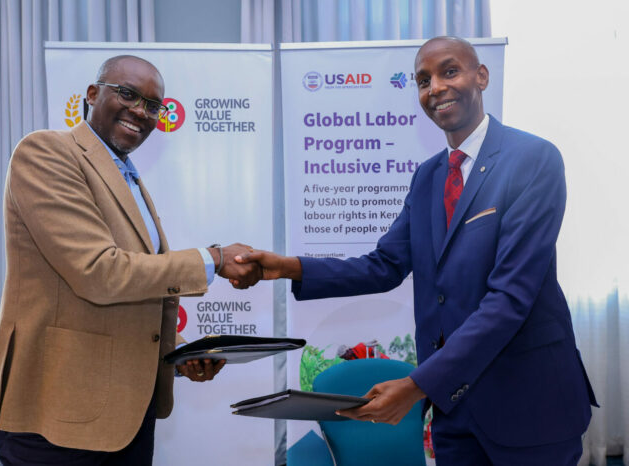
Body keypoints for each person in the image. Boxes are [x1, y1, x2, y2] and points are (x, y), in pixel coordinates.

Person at [237, 37, 597, 464]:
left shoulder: (533, 159)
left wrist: (415, 386)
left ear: (481, 76)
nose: (435, 88)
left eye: (449, 71)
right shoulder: (427, 177)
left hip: (529, 404)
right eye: (423, 80)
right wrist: (288, 267)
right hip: (455, 410)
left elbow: (509, 299)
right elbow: (386, 265)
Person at [0, 55, 261, 464]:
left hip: (125, 413)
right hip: (55, 413)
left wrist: (177, 353)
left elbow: (131, 292)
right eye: (128, 94)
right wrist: (214, 259)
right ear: (93, 94)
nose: (140, 112)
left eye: (152, 106)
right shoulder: (47, 153)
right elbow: (99, 273)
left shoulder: (126, 175)